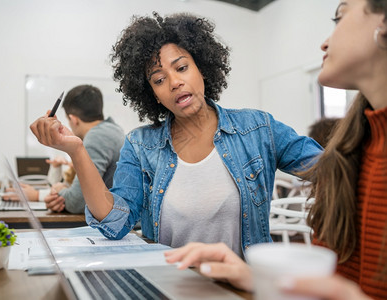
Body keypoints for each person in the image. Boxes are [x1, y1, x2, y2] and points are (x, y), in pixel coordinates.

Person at [30, 12, 322, 257]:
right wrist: (76, 151)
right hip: (170, 285)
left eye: (182, 67)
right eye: (159, 79)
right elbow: (116, 222)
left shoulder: (258, 129)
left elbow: (331, 169)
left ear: (202, 69)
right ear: (153, 95)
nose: (175, 82)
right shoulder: (141, 145)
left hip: (242, 288)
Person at [165, 0, 387, 299]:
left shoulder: (260, 127)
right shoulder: (353, 153)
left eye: (339, 17)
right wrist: (254, 278)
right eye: (159, 79)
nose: (324, 42)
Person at [11, 84, 125, 213]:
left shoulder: (97, 136)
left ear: (73, 119)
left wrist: (41, 195)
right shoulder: (113, 129)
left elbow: (76, 202)